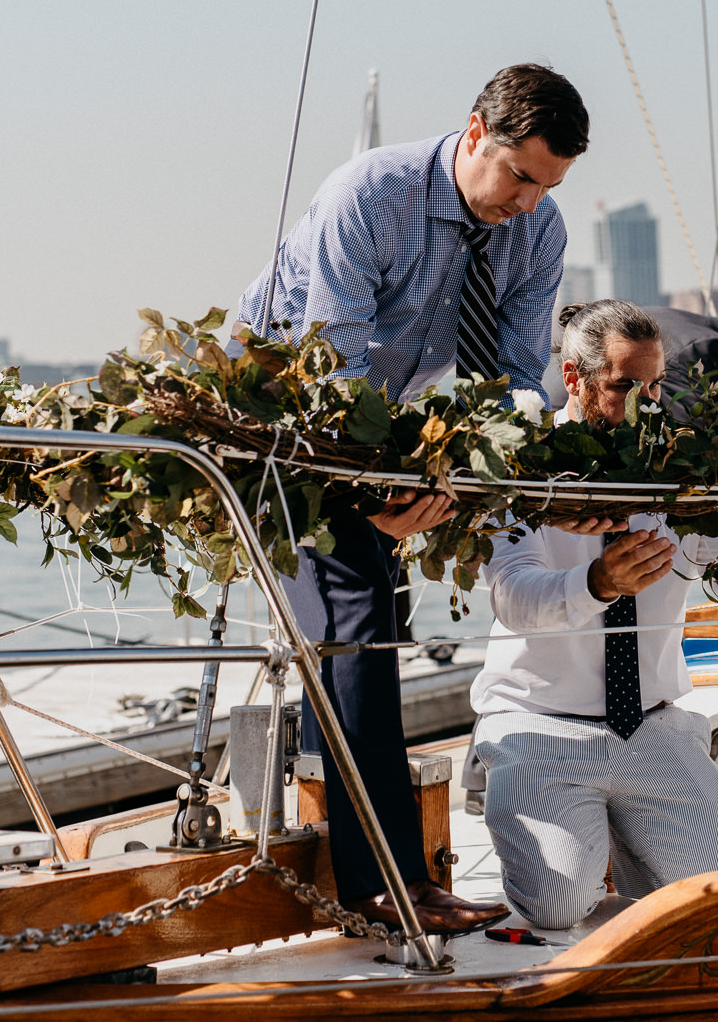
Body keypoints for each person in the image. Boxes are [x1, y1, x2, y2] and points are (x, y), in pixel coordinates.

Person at [236, 63, 590, 935]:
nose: (529, 204)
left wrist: (469, 482)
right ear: (475, 134)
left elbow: (509, 380)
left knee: (373, 634)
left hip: (387, 433)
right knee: (358, 626)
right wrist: (373, 501)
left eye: (547, 187)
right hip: (284, 414)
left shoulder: (537, 233)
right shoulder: (371, 193)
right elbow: (335, 364)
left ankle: (390, 868)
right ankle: (381, 886)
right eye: (519, 177)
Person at [469, 300, 718, 928]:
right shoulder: (519, 464)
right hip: (537, 724)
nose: (646, 404)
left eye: (655, 385)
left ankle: (641, 869)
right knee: (556, 908)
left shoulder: (680, 469)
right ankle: (605, 874)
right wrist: (596, 584)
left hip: (650, 728)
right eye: (624, 387)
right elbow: (514, 599)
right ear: (574, 380)